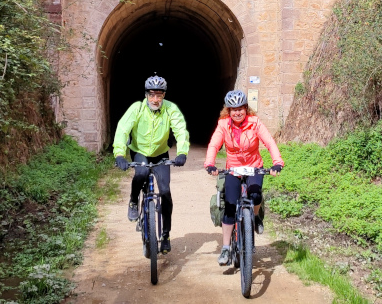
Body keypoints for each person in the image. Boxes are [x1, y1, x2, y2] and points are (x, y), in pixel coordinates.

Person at [204, 89, 284, 266]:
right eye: (234, 109)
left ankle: (255, 217)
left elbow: (269, 142)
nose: (238, 112)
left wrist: (277, 162)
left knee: (255, 195)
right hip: (233, 169)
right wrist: (210, 163)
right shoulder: (223, 125)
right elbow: (214, 145)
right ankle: (226, 247)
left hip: (254, 167)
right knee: (230, 206)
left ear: (246, 108)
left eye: (240, 108)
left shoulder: (255, 123)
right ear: (229, 111)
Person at [113, 74, 189, 254]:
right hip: (139, 151)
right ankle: (133, 201)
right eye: (152, 95)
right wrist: (119, 154)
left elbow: (180, 130)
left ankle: (166, 235)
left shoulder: (170, 109)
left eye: (159, 95)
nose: (155, 99)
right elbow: (123, 130)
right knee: (140, 173)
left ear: (164, 95)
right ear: (146, 94)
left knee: (165, 192)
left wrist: (182, 152)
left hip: (160, 153)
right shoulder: (137, 108)